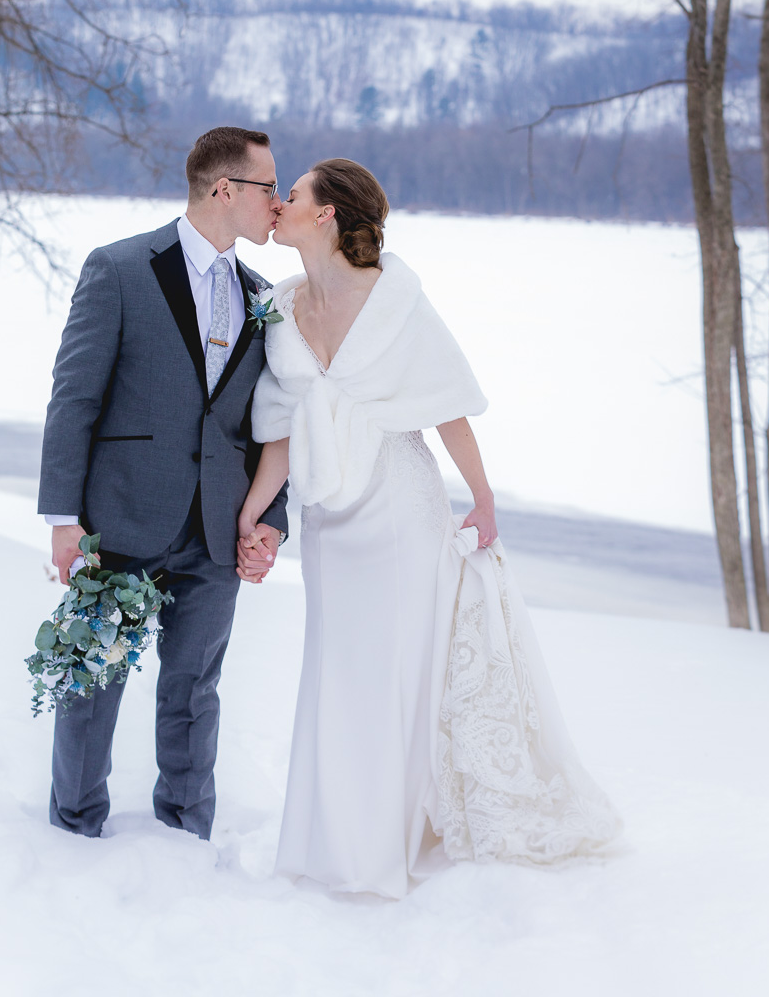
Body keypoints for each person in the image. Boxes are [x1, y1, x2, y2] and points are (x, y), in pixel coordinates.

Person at [238, 157, 620, 897]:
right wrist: (251, 515)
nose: (278, 204)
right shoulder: (282, 305)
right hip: (329, 523)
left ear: (326, 215)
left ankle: (388, 844)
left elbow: (448, 406)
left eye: (293, 195)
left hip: (399, 514)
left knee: (395, 676)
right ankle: (331, 840)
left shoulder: (394, 301)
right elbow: (281, 429)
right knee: (335, 673)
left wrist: (480, 498)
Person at [38, 126, 287, 840]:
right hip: (120, 517)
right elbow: (74, 398)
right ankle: (74, 825)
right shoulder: (118, 269)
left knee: (194, 687)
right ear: (224, 190)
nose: (277, 201)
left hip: (216, 529)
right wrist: (63, 516)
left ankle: (185, 832)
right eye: (268, 187)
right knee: (92, 678)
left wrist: (271, 520)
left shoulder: (264, 296)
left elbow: (278, 423)